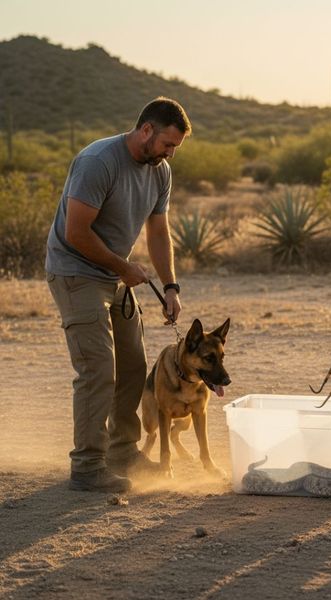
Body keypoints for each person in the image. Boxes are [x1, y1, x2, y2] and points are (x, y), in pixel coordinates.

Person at [46, 97, 192, 493]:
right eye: (167, 144)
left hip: (114, 275)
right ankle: (88, 467)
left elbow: (158, 232)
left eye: (175, 148)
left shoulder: (159, 172)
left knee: (132, 366)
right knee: (98, 369)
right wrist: (124, 268)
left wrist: (171, 286)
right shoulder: (99, 161)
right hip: (75, 271)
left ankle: (122, 450)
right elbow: (77, 233)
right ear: (146, 130)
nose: (170, 154)